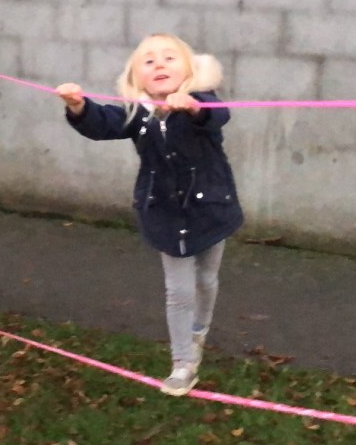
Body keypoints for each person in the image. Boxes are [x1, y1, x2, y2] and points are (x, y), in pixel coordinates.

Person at [55, 33, 244, 397]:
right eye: (149, 60)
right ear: (136, 76)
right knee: (178, 290)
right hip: (165, 213)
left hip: (210, 209)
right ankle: (183, 362)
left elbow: (217, 115)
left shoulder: (202, 101)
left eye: (169, 58)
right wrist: (79, 106)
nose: (159, 64)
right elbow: (104, 122)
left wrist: (191, 106)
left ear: (189, 69)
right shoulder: (136, 113)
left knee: (206, 279)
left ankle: (199, 331)